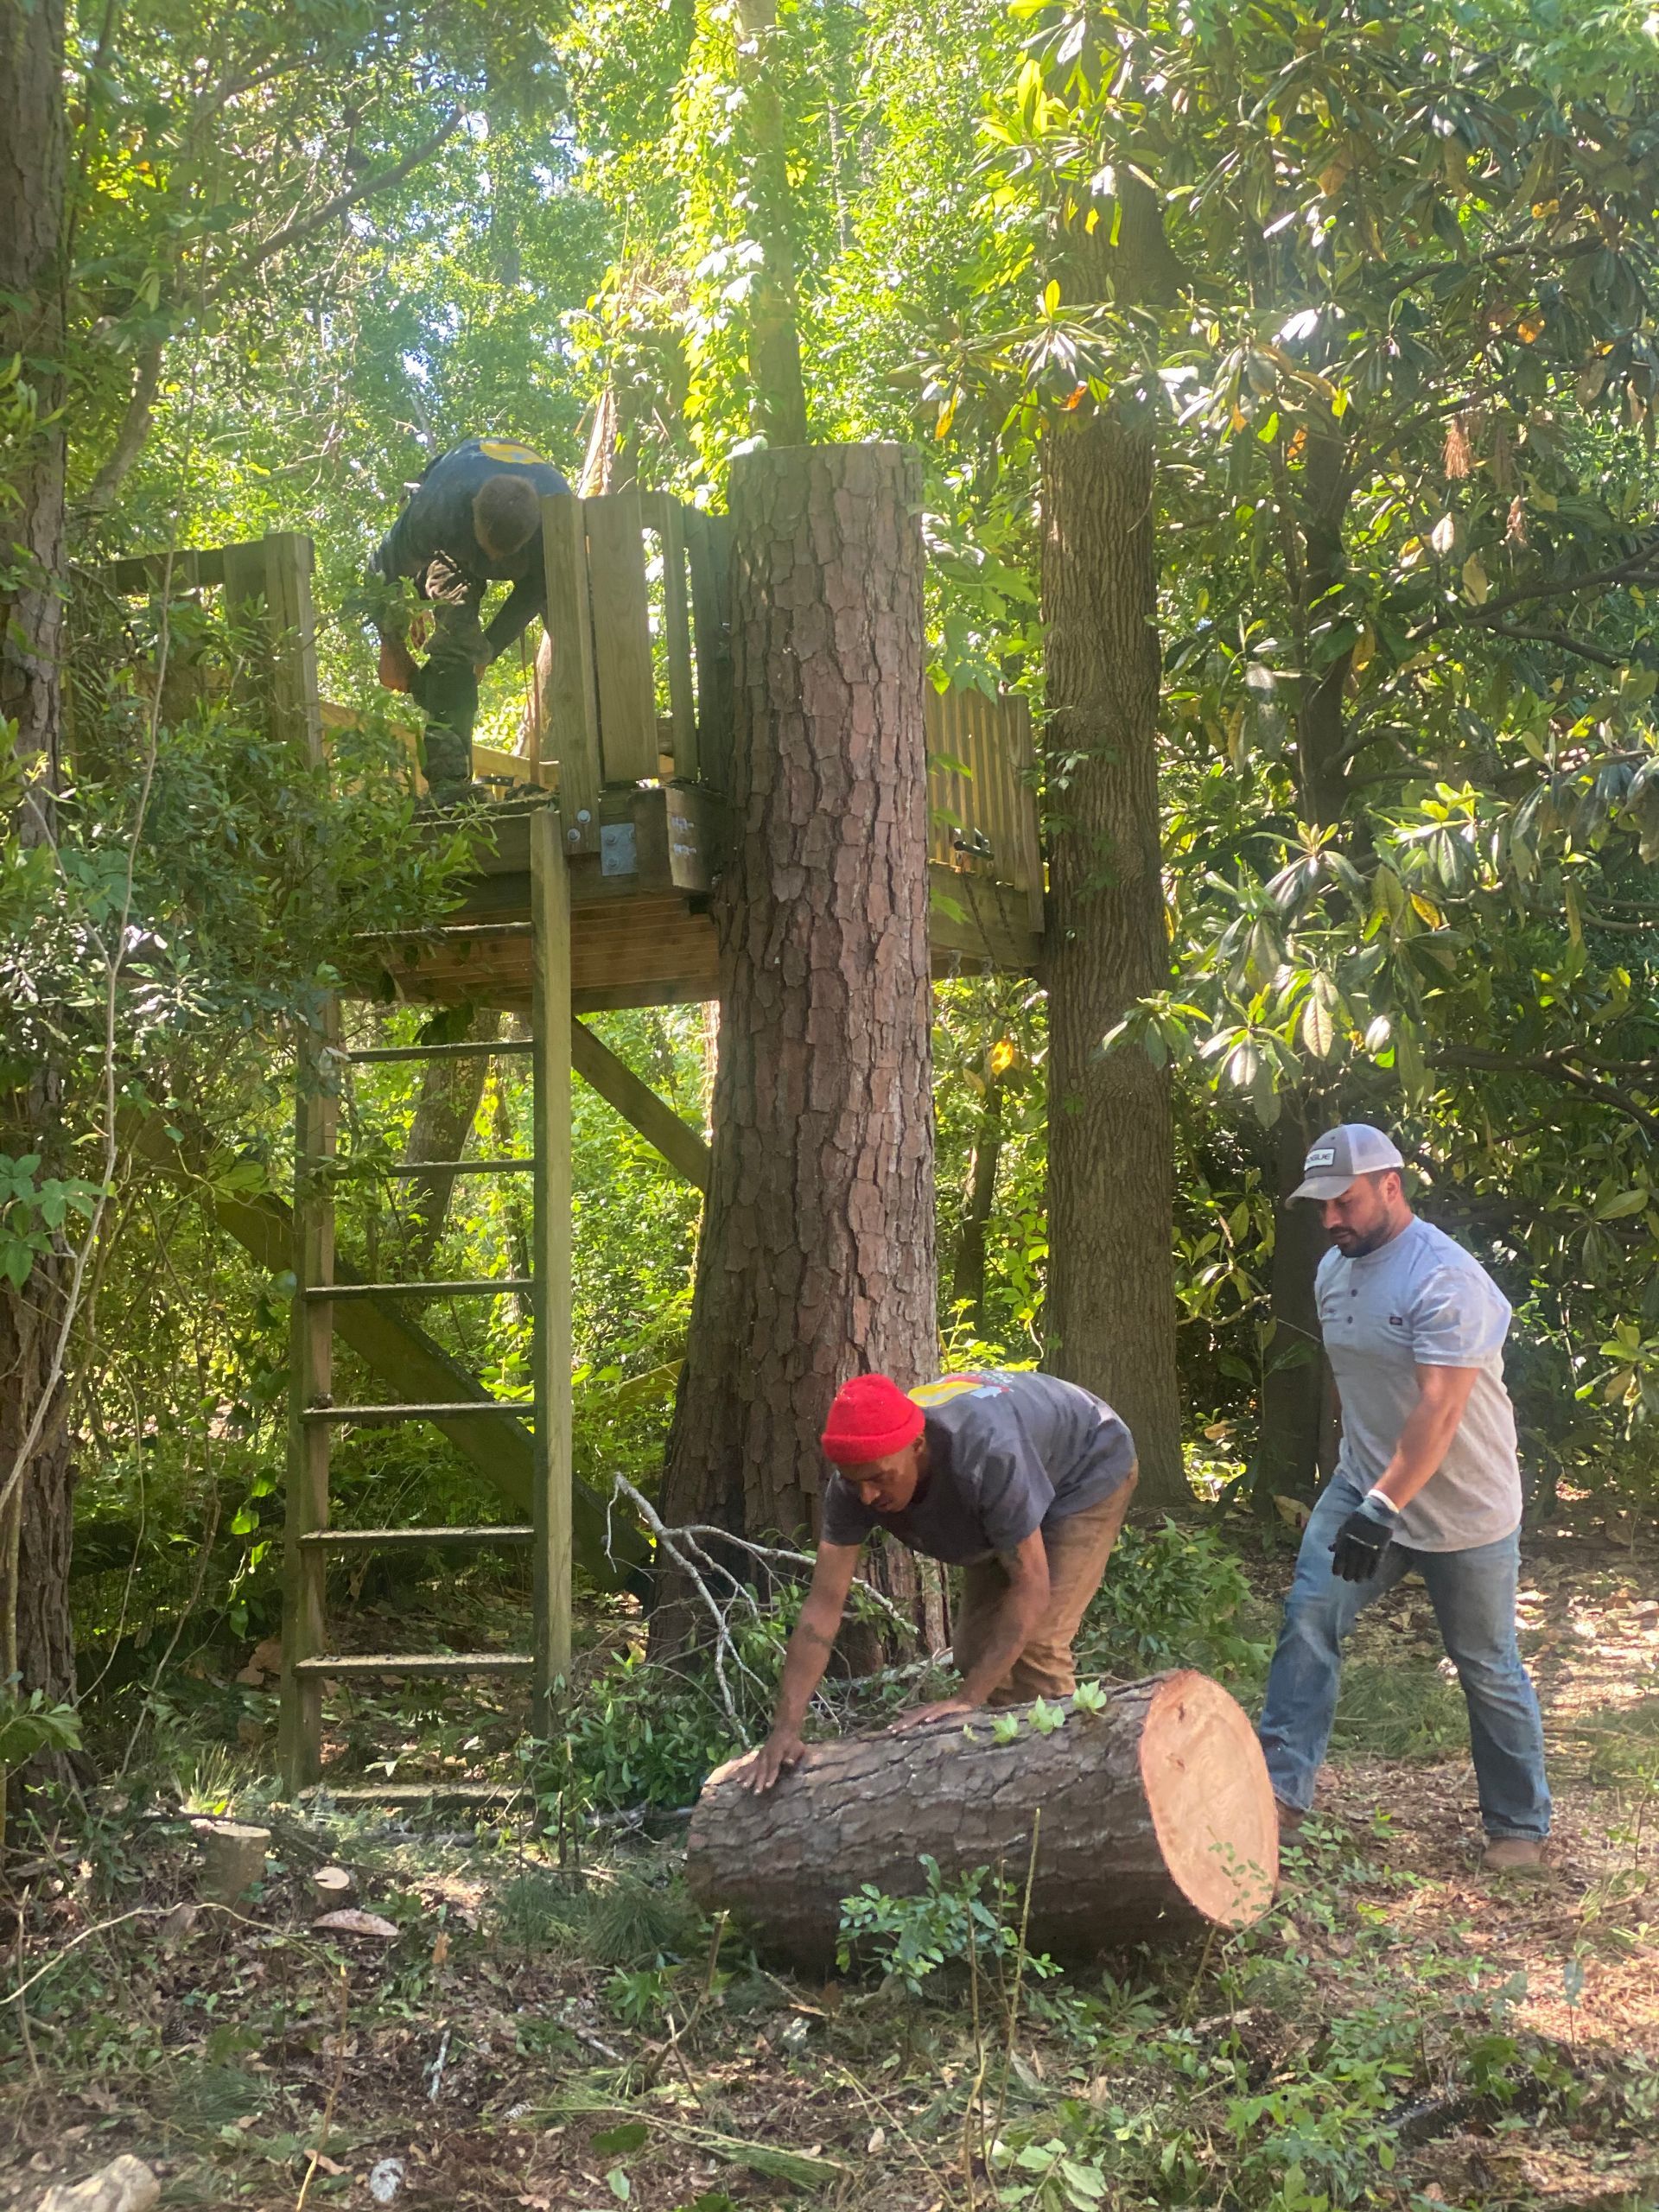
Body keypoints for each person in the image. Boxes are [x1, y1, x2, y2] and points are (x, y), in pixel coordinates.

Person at [1255, 1123, 1551, 1872]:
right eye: (1320, 1206)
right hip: (1364, 1485)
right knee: (1309, 1621)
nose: (1331, 1220)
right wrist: (1365, 1488)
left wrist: (1383, 1506)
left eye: (1345, 1202)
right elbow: (1357, 1384)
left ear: (1391, 1184)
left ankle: (1519, 1829)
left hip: (1466, 1510)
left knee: (1485, 1663)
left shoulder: (1444, 1279)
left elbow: (1439, 1412)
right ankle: (1277, 1796)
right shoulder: (1334, 1270)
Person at [738, 1369, 1138, 1793]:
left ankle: (1071, 1789)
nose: (868, 1497)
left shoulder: (986, 1455)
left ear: (916, 1445)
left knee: (1037, 1642)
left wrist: (966, 1701)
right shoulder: (854, 1488)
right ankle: (1016, 1778)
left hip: (1086, 1463)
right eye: (856, 1483)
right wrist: (786, 1727)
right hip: (998, 1497)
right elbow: (822, 1607)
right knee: (977, 1653)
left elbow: (1032, 1588)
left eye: (879, 1478)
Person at [368, 435, 570, 801]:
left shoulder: (559, 521)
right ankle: (449, 785)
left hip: (543, 552)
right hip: (453, 549)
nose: (491, 564)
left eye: (501, 556)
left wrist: (488, 651)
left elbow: (535, 592)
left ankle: (597, 764)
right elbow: (381, 569)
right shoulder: (437, 507)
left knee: (582, 635)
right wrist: (391, 643)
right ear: (475, 508)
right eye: (486, 549)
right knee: (455, 644)